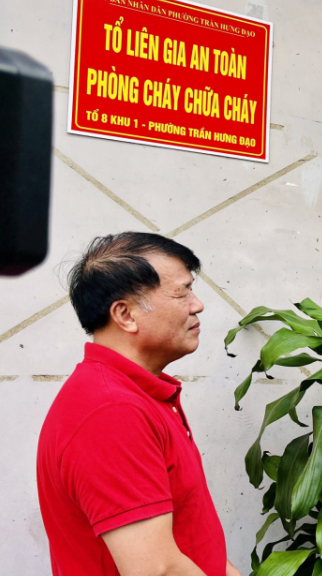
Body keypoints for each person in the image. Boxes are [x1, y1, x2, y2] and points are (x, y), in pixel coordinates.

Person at [36, 232, 241, 576]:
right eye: (182, 292)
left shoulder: (141, 395)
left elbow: (197, 543)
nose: (197, 304)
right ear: (126, 315)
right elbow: (157, 570)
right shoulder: (111, 411)